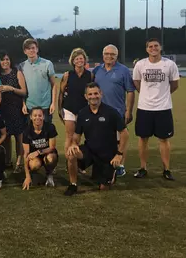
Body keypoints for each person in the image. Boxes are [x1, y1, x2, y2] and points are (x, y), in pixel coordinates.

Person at [64, 83, 129, 196]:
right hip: (90, 151)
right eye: (90, 94)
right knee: (71, 154)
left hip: (107, 155)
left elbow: (124, 133)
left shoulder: (111, 112)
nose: (93, 96)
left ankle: (110, 173)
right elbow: (77, 134)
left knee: (103, 188)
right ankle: (73, 185)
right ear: (86, 96)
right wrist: (74, 144)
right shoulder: (82, 113)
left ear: (101, 94)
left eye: (96, 93)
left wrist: (119, 154)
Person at [132, 38, 180, 180]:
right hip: (144, 108)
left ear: (160, 47)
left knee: (164, 139)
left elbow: (175, 84)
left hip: (163, 108)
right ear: (147, 49)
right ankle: (142, 168)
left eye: (156, 46)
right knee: (143, 138)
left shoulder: (169, 64)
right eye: (150, 46)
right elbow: (136, 82)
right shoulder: (140, 64)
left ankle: (166, 169)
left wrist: (163, 94)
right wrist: (147, 95)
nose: (153, 48)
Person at [92, 44, 135, 177]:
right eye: (107, 54)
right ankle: (101, 163)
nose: (109, 56)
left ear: (117, 56)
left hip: (117, 111)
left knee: (120, 139)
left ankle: (120, 165)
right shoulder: (97, 70)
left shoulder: (123, 70)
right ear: (103, 55)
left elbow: (130, 91)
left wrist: (128, 110)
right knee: (101, 139)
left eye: (113, 54)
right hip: (99, 112)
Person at [58, 48, 92, 167]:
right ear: (73, 61)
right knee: (69, 136)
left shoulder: (90, 75)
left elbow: (91, 92)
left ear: (84, 60)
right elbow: (61, 93)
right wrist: (59, 109)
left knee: (78, 137)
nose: (79, 61)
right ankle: (70, 163)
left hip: (83, 110)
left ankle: (76, 161)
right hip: (69, 109)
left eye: (81, 58)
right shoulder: (67, 75)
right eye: (76, 59)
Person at [0, 51, 27, 173]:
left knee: (19, 137)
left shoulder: (17, 73)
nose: (5, 62)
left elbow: (24, 92)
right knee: (6, 137)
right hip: (3, 110)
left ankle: (19, 162)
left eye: (7, 59)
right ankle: (8, 161)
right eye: (2, 60)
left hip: (17, 109)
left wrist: (11, 88)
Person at [18, 38, 57, 122]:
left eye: (33, 48)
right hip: (29, 107)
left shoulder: (47, 63)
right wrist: (23, 104)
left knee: (45, 134)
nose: (31, 50)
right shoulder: (22, 66)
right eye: (28, 48)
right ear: (25, 51)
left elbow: (54, 85)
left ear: (37, 49)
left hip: (45, 106)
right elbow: (22, 88)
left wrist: (53, 103)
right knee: (30, 134)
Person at [21, 107, 58, 190]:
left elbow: (52, 147)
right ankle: (34, 173)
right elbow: (26, 154)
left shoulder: (50, 127)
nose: (37, 117)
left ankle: (49, 174)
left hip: (48, 153)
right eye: (35, 115)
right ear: (30, 117)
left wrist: (38, 151)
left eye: (40, 115)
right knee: (34, 165)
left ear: (43, 117)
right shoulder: (26, 131)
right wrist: (27, 176)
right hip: (35, 157)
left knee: (51, 158)